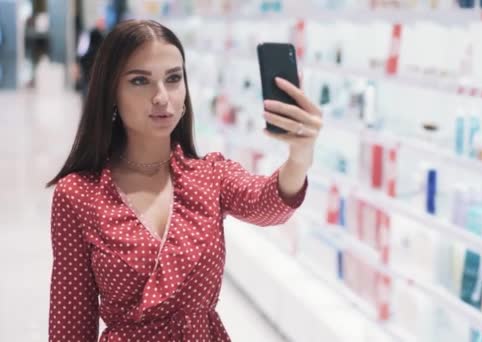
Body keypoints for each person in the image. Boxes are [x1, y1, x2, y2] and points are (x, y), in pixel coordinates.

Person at [46, 19, 322, 341]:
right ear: (111, 91)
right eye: (140, 81)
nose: (162, 97)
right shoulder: (79, 195)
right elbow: (70, 324)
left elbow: (268, 204)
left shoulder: (210, 175)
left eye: (174, 78)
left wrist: (299, 157)